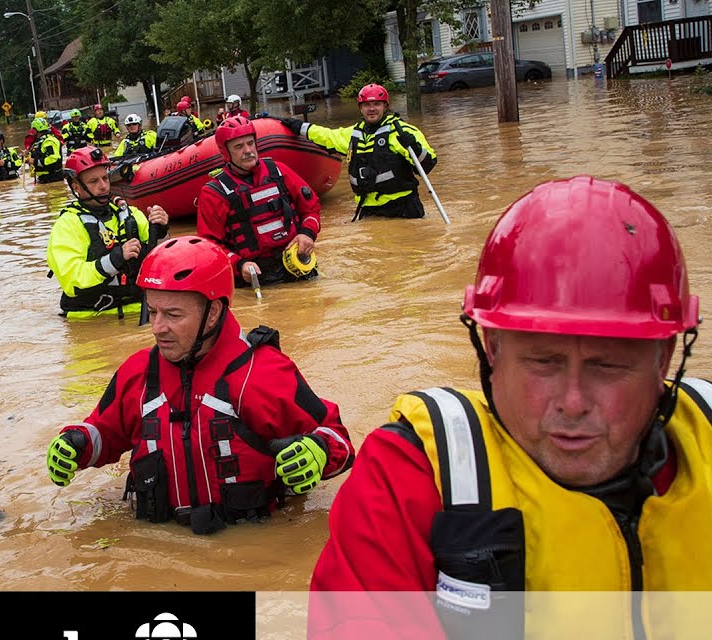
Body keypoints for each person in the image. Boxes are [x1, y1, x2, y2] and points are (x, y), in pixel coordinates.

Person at [304, 176, 712, 640]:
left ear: (664, 358)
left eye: (608, 365)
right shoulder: (413, 478)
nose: (574, 401)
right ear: (491, 348)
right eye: (543, 362)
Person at [45, 236, 355, 535]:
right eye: (152, 312)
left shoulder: (262, 372)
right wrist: (79, 443)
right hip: (157, 545)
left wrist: (319, 451)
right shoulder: (137, 372)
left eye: (173, 315)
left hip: (248, 544)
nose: (157, 328)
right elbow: (106, 432)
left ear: (213, 314)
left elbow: (336, 436)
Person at [197, 115, 323, 288]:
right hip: (253, 276)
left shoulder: (278, 171)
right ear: (225, 153)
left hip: (297, 263)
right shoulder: (214, 193)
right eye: (239, 147)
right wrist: (239, 265)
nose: (248, 150)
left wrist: (307, 234)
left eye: (250, 143)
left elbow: (311, 208)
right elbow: (209, 246)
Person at [45, 146, 168, 319]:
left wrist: (161, 231)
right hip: (92, 319)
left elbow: (162, 261)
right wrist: (115, 259)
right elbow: (72, 281)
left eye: (105, 178)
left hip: (140, 312)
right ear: (76, 188)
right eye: (93, 181)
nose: (103, 186)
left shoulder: (130, 214)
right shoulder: (68, 225)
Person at [282, 84, 436, 219]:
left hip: (403, 208)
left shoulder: (402, 132)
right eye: (367, 105)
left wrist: (415, 148)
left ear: (385, 106)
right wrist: (299, 127)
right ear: (360, 108)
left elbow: (428, 164)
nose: (372, 109)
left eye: (377, 104)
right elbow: (327, 136)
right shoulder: (353, 134)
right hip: (369, 209)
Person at [25, 116, 64, 184]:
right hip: (43, 179)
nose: (32, 133)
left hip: (53, 179)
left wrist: (35, 161)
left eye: (33, 130)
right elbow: (38, 155)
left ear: (37, 130)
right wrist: (26, 157)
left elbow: (53, 160)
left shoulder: (49, 141)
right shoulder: (38, 142)